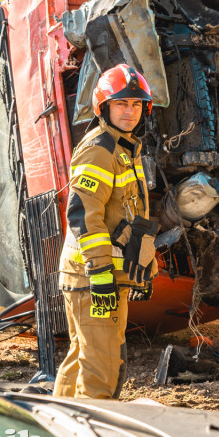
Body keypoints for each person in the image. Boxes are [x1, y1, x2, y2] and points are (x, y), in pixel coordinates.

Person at [54, 64, 159, 399]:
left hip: (104, 276)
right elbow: (83, 214)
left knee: (84, 357)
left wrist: (142, 271)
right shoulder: (100, 149)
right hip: (93, 277)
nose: (129, 111)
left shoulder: (124, 149)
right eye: (121, 104)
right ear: (104, 107)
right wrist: (100, 272)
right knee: (101, 370)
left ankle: (61, 431)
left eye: (136, 105)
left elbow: (127, 217)